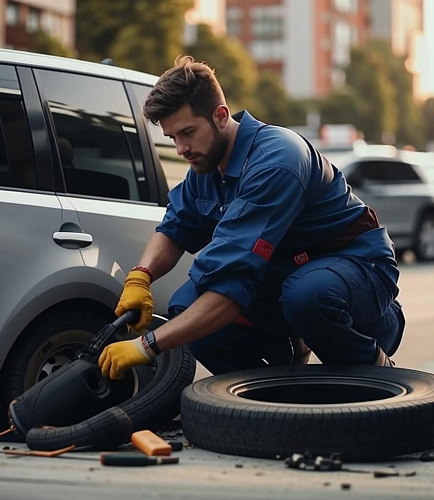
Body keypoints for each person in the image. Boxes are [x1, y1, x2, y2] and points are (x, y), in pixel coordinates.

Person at [98, 55, 405, 380]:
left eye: (187, 132)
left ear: (219, 115)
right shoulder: (206, 164)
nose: (181, 149)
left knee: (306, 297)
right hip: (285, 280)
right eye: (173, 138)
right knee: (186, 306)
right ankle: (277, 395)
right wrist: (140, 277)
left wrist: (146, 345)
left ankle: (374, 370)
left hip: (356, 270)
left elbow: (230, 287)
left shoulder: (276, 160)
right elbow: (175, 228)